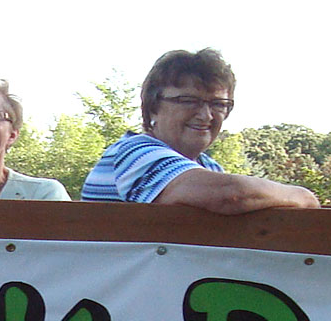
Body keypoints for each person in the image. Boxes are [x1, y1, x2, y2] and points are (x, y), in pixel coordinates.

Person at [81, 48, 318, 214]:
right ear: (153, 107)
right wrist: (304, 198)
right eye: (188, 101)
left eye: (218, 104)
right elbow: (232, 195)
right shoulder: (135, 152)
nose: (206, 115)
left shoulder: (208, 167)